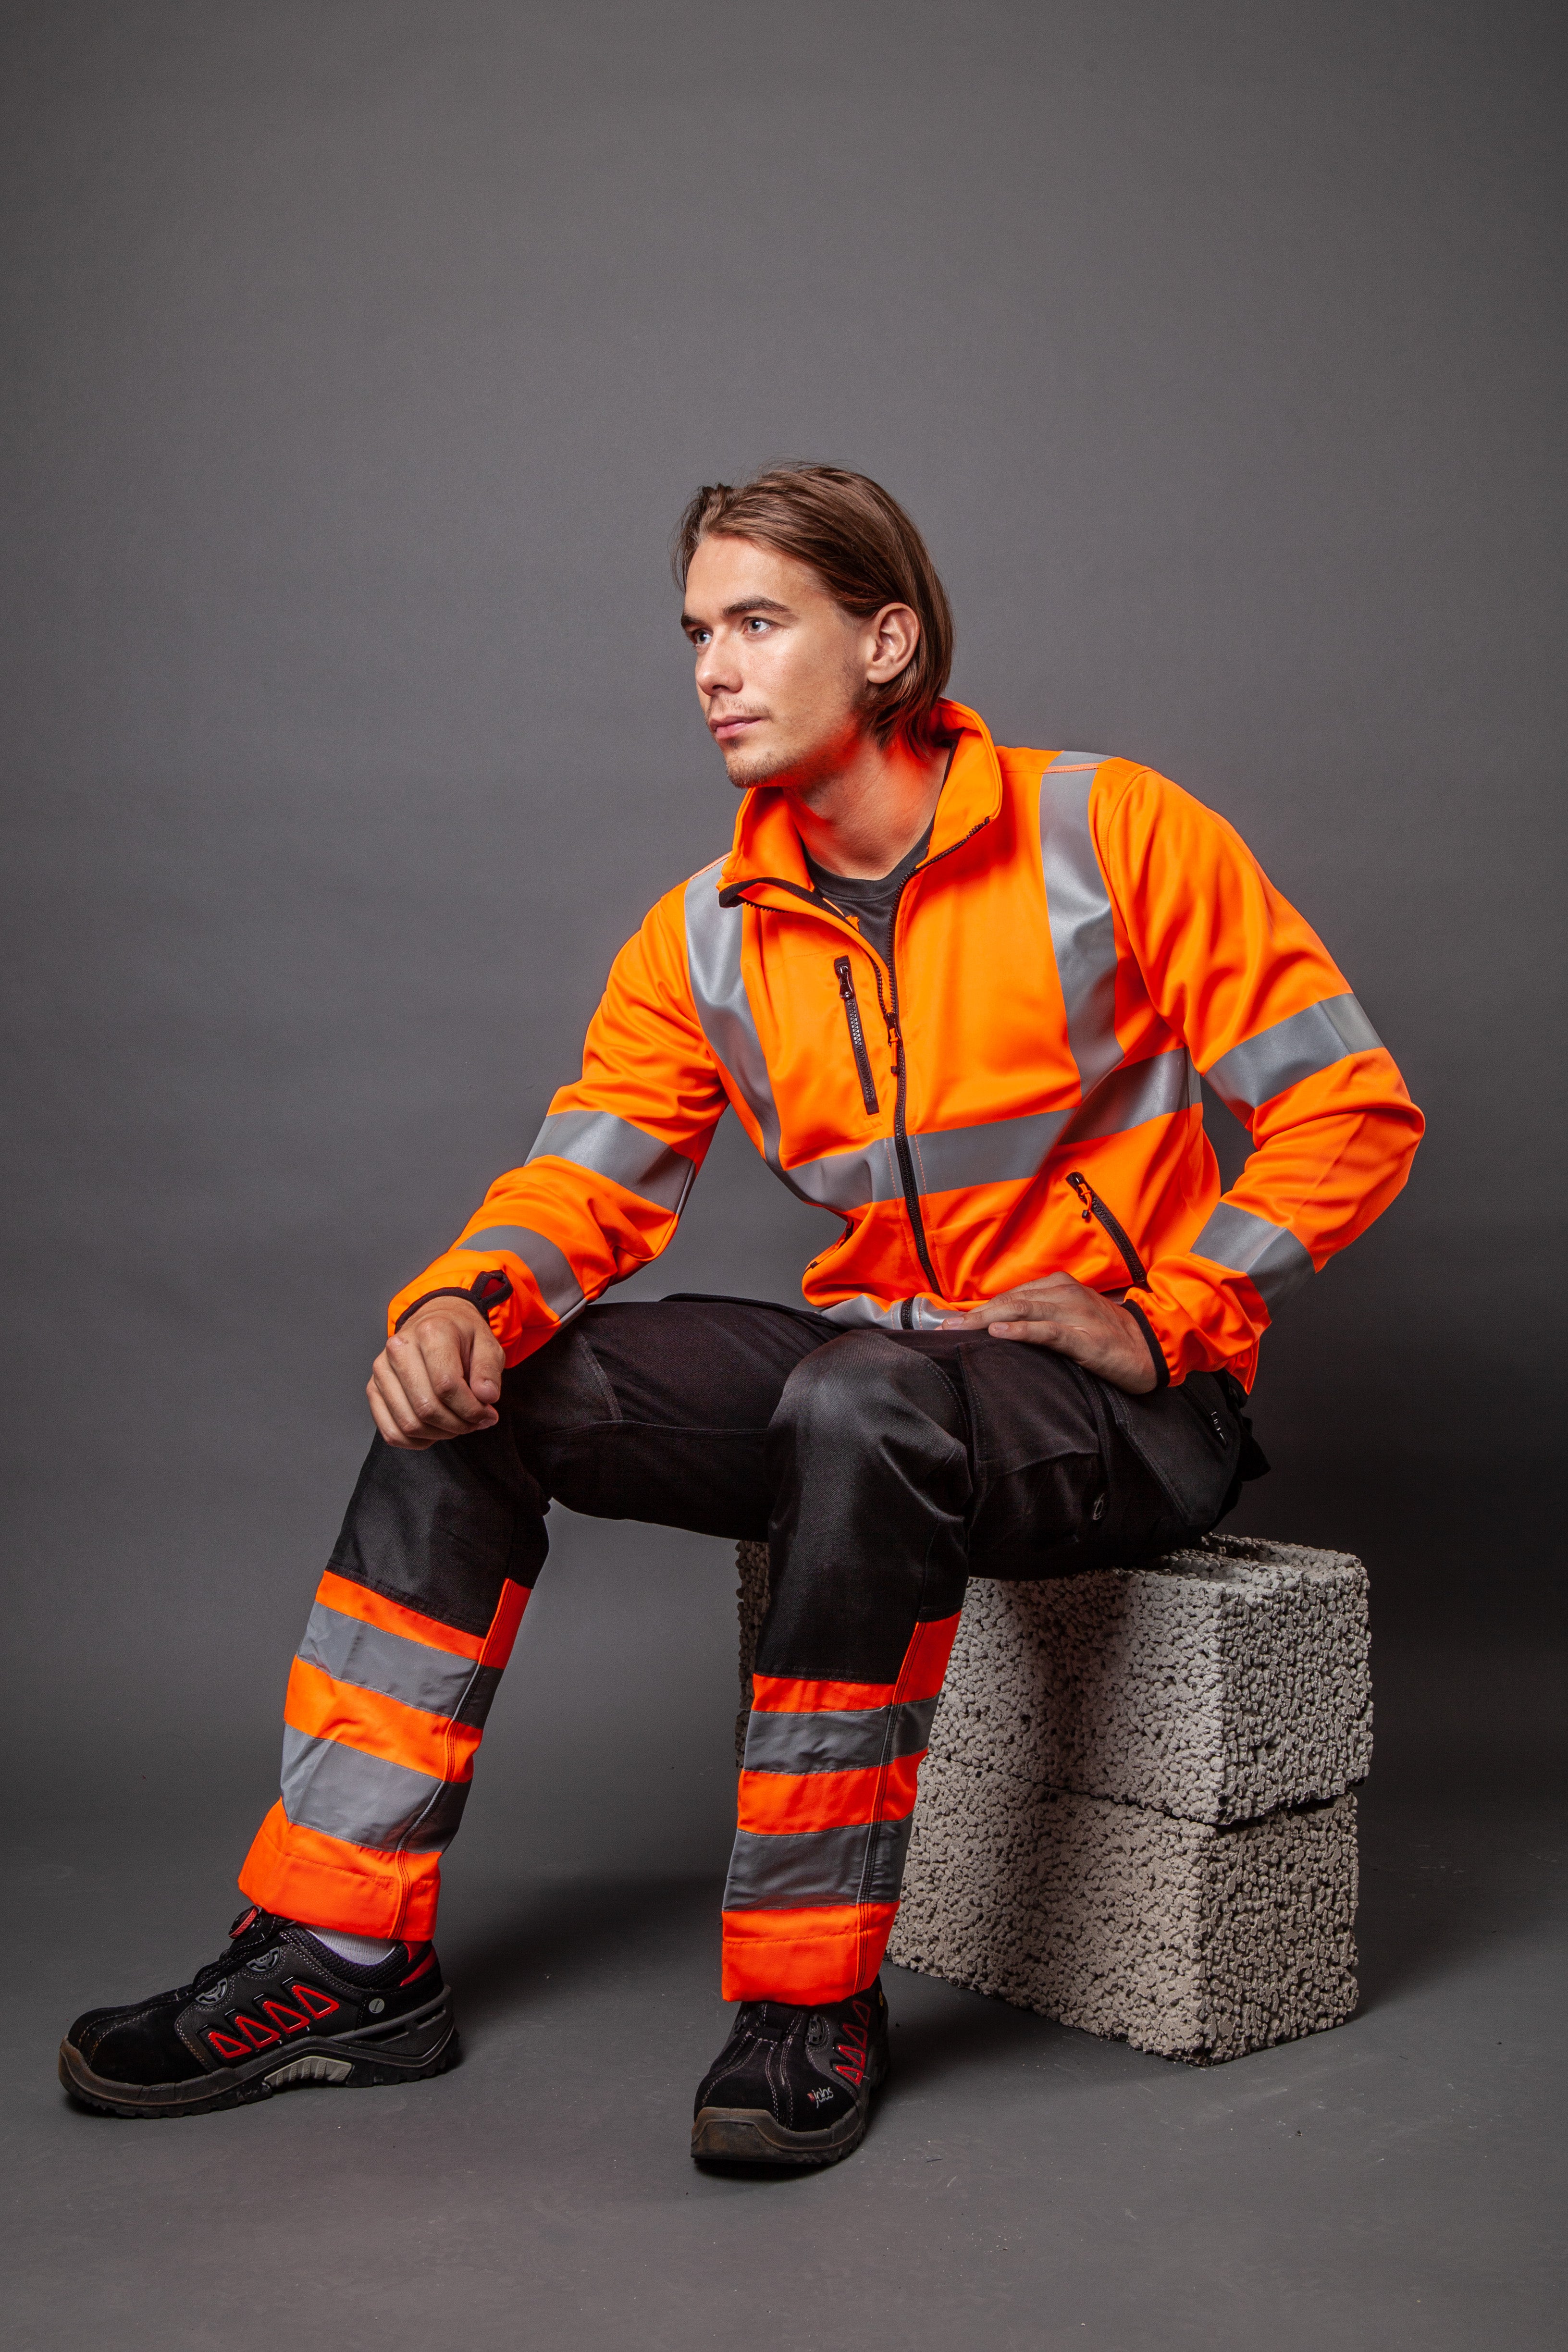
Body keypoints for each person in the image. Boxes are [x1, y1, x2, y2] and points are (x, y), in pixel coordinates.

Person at [59, 465, 1423, 2163]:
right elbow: (585, 1180)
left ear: (887, 642)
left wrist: (1173, 1312)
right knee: (481, 1385)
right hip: (887, 1369)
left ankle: (805, 1999)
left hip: (1125, 1408)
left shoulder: (1110, 833)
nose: (712, 668)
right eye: (698, 632)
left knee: (858, 1396)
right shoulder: (707, 935)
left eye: (759, 623)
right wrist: (465, 1301)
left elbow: (1349, 1104)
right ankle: (341, 1951)